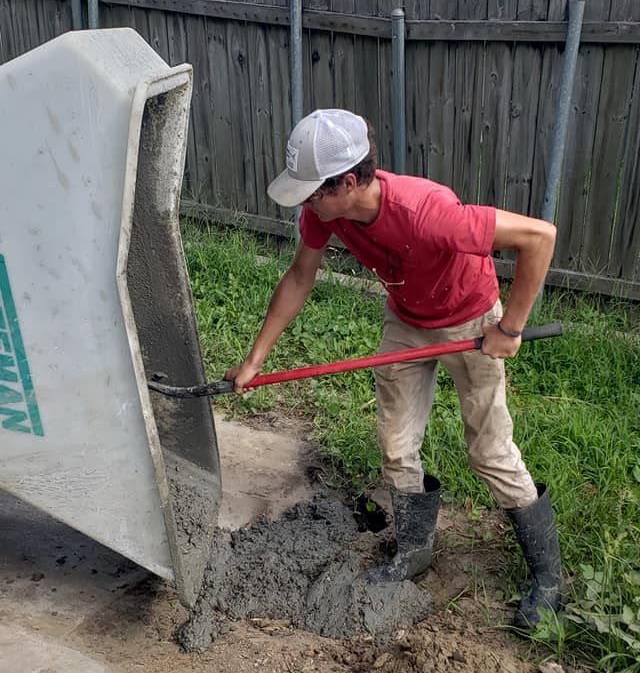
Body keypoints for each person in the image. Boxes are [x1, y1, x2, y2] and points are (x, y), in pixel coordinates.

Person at [230, 109, 562, 629]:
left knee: (489, 452)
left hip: (470, 322)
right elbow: (299, 276)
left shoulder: (428, 211)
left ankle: (549, 579)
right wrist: (254, 359)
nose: (308, 204)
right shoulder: (325, 212)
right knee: (396, 445)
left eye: (315, 191)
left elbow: (540, 236)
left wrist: (511, 326)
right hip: (407, 323)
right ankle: (414, 550)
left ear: (347, 181)